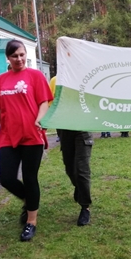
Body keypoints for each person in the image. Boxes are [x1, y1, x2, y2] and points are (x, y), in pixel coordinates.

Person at [0, 39, 53, 242]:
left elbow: (44, 102)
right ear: (8, 58)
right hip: (8, 136)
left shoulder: (35, 75)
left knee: (30, 178)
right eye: (14, 56)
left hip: (32, 135)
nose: (19, 59)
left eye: (22, 54)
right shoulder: (1, 79)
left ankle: (31, 222)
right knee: (6, 178)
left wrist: (40, 119)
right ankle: (30, 200)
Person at [48, 75, 93, 227]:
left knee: (81, 169)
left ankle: (85, 206)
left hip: (82, 128)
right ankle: (79, 188)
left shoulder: (86, 79)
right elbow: (49, 104)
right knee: (69, 168)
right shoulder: (55, 81)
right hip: (64, 129)